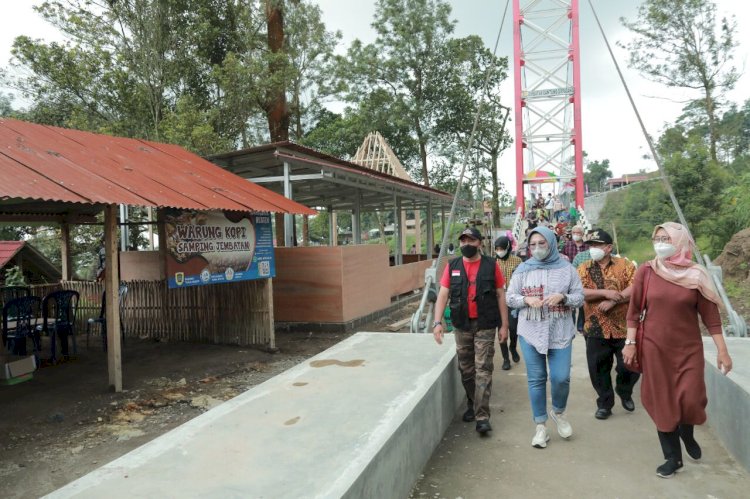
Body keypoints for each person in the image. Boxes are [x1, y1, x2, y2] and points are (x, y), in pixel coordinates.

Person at [624, 222, 733, 478]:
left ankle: (687, 431)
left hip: (687, 349)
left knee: (691, 398)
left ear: (680, 242)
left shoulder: (697, 275)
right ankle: (672, 458)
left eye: (667, 238)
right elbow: (634, 312)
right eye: (657, 237)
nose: (660, 242)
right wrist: (630, 344)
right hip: (654, 348)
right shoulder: (647, 272)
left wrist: (722, 351)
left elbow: (711, 318)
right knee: (663, 401)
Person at [506, 226, 584, 448]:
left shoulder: (567, 269)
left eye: (542, 244)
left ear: (551, 243)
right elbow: (510, 297)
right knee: (536, 378)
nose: (537, 248)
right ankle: (540, 426)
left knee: (561, 377)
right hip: (530, 331)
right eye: (533, 245)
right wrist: (525, 301)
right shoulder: (522, 269)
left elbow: (579, 297)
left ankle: (558, 412)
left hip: (560, 331)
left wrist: (563, 297)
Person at [433, 227, 510, 435]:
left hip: (485, 324)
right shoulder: (453, 266)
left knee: (483, 369)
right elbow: (443, 295)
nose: (466, 244)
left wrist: (505, 325)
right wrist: (437, 322)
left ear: (479, 243)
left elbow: (501, 296)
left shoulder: (491, 266)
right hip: (461, 325)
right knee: (466, 370)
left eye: (471, 241)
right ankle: (472, 403)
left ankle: (482, 416)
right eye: (463, 241)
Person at [577, 229, 639, 420]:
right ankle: (605, 403)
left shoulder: (625, 265)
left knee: (629, 366)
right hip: (596, 327)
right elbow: (580, 291)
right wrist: (605, 293)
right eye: (591, 246)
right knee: (598, 369)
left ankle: (624, 390)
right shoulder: (584, 268)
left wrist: (614, 300)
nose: (593, 249)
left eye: (597, 245)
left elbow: (636, 286)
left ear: (609, 247)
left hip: (623, 327)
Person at [494, 236, 523, 370]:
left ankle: (513, 347)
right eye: (497, 249)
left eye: (501, 249)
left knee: (513, 328)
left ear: (508, 248)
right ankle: (505, 358)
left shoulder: (518, 261)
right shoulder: (493, 263)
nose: (499, 251)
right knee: (501, 329)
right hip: (498, 301)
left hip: (513, 301)